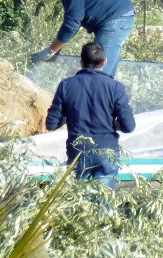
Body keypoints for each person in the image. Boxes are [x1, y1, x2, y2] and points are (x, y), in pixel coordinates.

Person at [45, 42, 136, 189]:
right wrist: (110, 123)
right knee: (102, 203)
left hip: (78, 153)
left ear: (81, 62)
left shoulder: (66, 85)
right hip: (107, 151)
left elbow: (51, 124)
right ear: (105, 62)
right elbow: (129, 126)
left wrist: (72, 113)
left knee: (79, 204)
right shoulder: (115, 87)